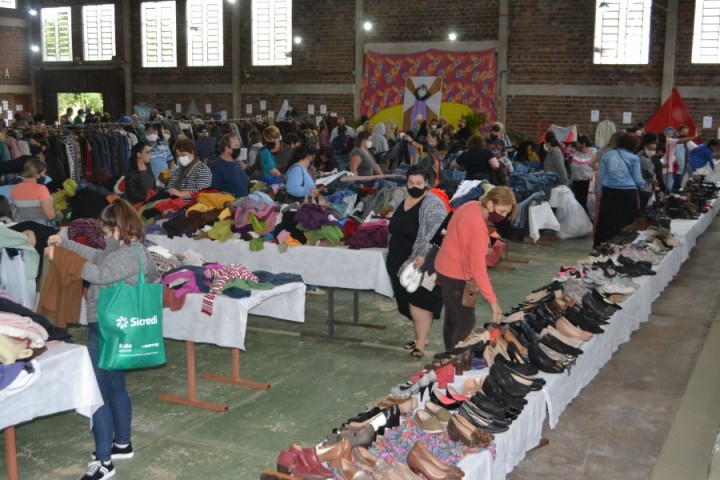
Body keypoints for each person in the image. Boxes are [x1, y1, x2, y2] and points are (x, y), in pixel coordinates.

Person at [45, 200, 158, 480]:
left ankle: (105, 463)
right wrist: (66, 244)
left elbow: (99, 273)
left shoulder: (128, 255)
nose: (104, 237)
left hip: (107, 329)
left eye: (107, 231)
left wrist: (60, 258)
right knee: (116, 387)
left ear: (118, 229)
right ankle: (122, 443)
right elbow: (97, 257)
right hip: (119, 328)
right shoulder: (130, 250)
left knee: (94, 392)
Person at [435, 186, 517, 350]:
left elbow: (459, 232)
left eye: (507, 213)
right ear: (491, 204)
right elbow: (479, 270)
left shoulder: (471, 205)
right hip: (456, 274)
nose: (503, 216)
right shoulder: (479, 227)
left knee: (452, 317)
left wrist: (485, 244)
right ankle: (454, 358)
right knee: (466, 320)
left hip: (443, 267)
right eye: (502, 211)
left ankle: (449, 354)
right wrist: (493, 302)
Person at [386, 165, 447, 358]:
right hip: (399, 260)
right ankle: (420, 336)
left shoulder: (433, 203)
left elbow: (440, 234)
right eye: (411, 182)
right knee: (406, 302)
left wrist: (426, 257)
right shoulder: (403, 200)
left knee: (420, 302)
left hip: (422, 262)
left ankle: (421, 343)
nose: (414, 186)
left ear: (426, 183)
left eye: (419, 183)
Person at [594, 133, 646, 246]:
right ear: (633, 145)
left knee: (607, 221)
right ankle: (623, 245)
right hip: (628, 193)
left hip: (609, 192)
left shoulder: (607, 155)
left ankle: (602, 245)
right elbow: (638, 180)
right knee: (626, 221)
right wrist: (645, 185)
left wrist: (599, 192)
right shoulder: (634, 158)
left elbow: (601, 176)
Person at [10, 158, 58, 225]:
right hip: (41, 228)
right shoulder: (41, 189)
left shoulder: (14, 189)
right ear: (36, 174)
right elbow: (50, 216)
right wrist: (57, 213)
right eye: (43, 173)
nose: (44, 176)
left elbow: (15, 213)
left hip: (24, 228)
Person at [570, 136, 597, 211]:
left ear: (583, 144)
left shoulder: (594, 154)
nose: (576, 145)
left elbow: (598, 170)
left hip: (586, 184)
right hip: (576, 183)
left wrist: (590, 176)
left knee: (585, 205)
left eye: (578, 143)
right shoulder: (576, 153)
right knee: (577, 204)